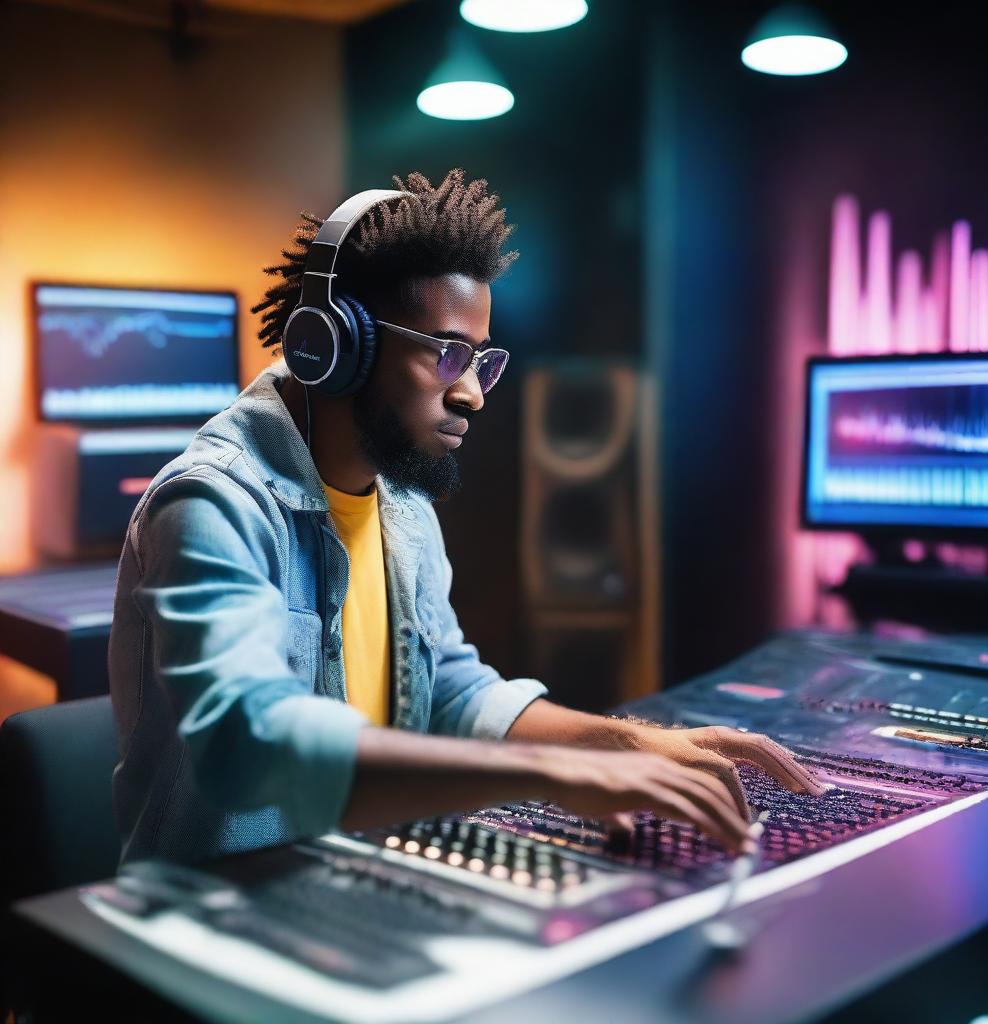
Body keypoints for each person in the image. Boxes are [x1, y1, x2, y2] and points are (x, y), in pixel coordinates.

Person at [108, 169, 824, 867]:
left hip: (361, 889)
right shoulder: (212, 504)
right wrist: (550, 775)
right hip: (219, 920)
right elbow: (248, 742)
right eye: (448, 356)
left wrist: (627, 744)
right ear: (332, 345)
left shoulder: (402, 504)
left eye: (482, 362)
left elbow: (452, 691)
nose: (474, 396)